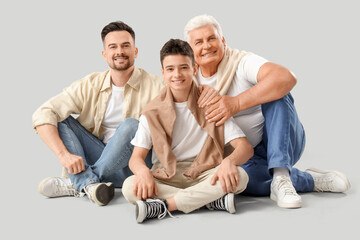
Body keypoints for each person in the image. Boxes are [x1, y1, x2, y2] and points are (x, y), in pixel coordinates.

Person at [183, 14, 351, 209]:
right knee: (236, 181)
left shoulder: (241, 62)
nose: (207, 46)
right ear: (190, 50)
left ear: (223, 40)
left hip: (281, 141)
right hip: (243, 156)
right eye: (199, 42)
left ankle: (281, 174)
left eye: (211, 38)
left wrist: (235, 104)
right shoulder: (189, 80)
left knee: (277, 91)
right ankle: (306, 179)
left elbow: (286, 77)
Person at [32, 21, 164, 206]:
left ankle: (81, 182)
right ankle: (91, 184)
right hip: (100, 155)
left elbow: (186, 101)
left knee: (131, 126)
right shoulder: (90, 84)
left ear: (135, 51)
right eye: (113, 47)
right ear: (104, 54)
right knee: (61, 119)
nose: (120, 51)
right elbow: (43, 113)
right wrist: (64, 155)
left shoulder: (158, 85)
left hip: (134, 168)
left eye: (126, 46)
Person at [122, 39, 253, 223]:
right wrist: (143, 172)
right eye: (170, 69)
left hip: (204, 171)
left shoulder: (211, 104)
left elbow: (245, 148)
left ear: (194, 69)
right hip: (166, 174)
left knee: (241, 176)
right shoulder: (152, 112)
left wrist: (229, 162)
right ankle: (210, 201)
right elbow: (136, 158)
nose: (177, 74)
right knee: (129, 186)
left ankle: (164, 206)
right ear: (163, 73)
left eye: (183, 67)